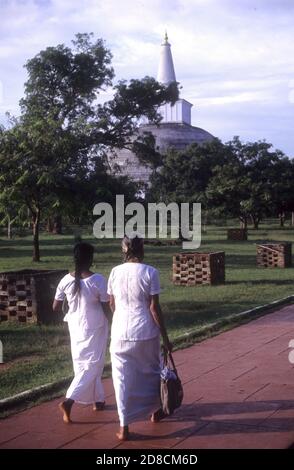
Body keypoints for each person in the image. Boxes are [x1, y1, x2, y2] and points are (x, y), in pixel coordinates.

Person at [108, 235, 172, 441]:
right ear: (141, 250)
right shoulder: (150, 272)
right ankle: (155, 411)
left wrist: (121, 318)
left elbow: (112, 304)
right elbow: (154, 308)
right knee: (151, 372)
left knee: (121, 379)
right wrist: (166, 337)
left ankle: (124, 426)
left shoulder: (114, 272)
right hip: (145, 331)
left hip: (119, 332)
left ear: (124, 250)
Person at [53, 242, 110, 423]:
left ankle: (98, 399)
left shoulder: (65, 280)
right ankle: (69, 400)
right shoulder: (98, 280)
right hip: (95, 326)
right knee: (93, 364)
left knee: (82, 363)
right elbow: (106, 306)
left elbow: (55, 306)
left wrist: (69, 309)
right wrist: (114, 319)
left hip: (75, 326)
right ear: (91, 259)